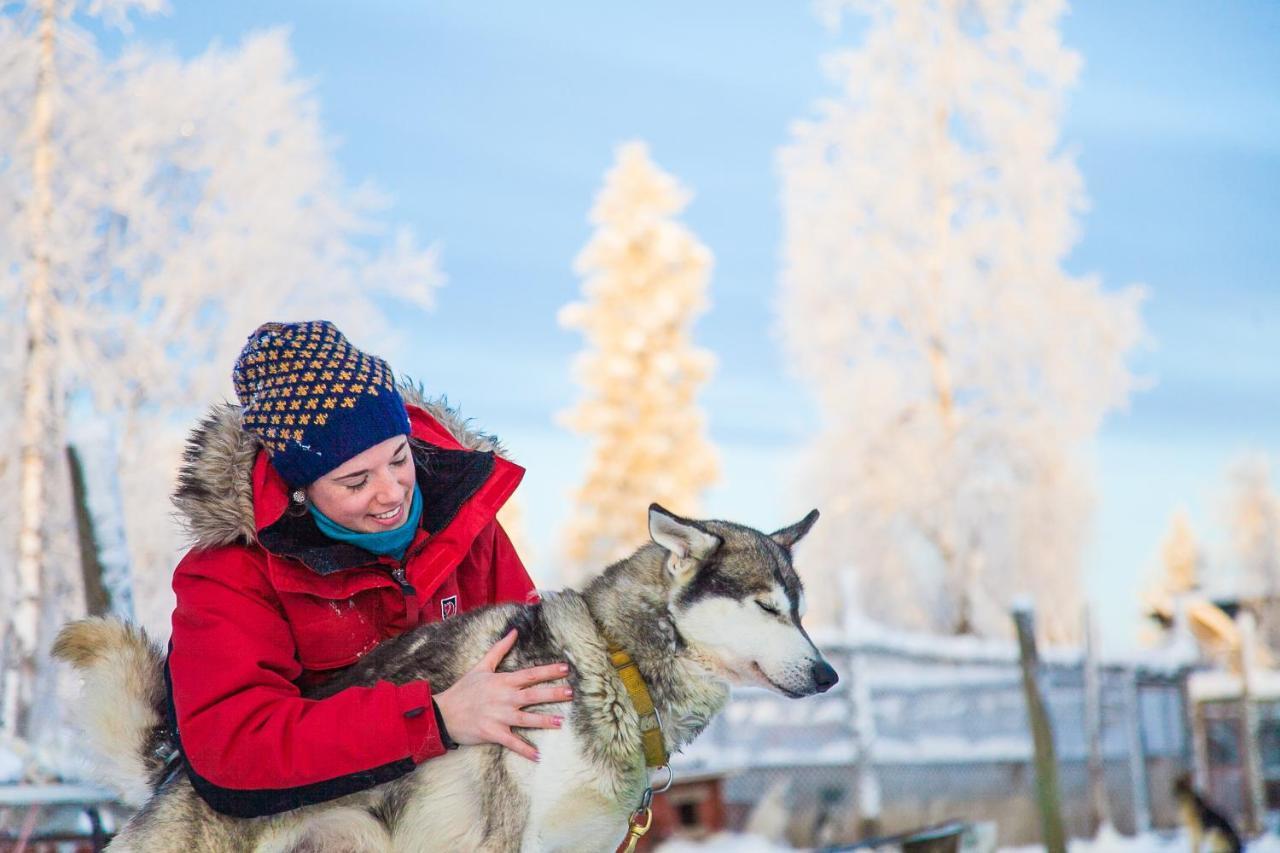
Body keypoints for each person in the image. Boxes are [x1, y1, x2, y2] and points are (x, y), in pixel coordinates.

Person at [165, 320, 570, 818]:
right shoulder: (232, 571)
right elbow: (233, 746)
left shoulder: (463, 515)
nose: (394, 493)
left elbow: (538, 660)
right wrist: (434, 719)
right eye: (356, 481)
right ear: (299, 486)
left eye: (399, 459)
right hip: (319, 822)